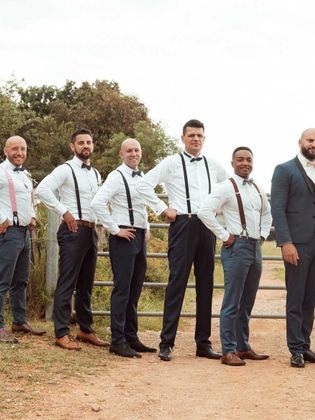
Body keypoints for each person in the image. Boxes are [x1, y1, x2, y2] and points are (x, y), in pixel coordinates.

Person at [137, 119, 228, 361]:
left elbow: (228, 187)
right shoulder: (172, 162)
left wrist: (219, 207)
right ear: (183, 138)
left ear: (204, 138)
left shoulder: (213, 164)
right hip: (183, 224)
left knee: (206, 284)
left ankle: (203, 343)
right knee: (177, 282)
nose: (195, 139)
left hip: (207, 225)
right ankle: (166, 343)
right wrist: (162, 208)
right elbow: (144, 184)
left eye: (199, 135)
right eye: (191, 135)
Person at [90, 139, 166, 358]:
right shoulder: (116, 176)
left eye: (137, 150)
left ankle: (131, 337)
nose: (133, 154)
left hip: (139, 235)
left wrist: (147, 227)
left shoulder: (142, 177)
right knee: (122, 289)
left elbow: (141, 206)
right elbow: (97, 203)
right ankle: (118, 340)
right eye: (129, 150)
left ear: (141, 153)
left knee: (134, 290)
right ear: (121, 154)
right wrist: (115, 229)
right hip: (124, 236)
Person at [198, 146, 273, 366]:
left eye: (248, 160)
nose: (245, 163)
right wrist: (223, 235)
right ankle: (228, 350)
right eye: (240, 160)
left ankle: (242, 346)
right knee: (232, 301)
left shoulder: (258, 187)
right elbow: (204, 211)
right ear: (232, 163)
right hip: (236, 247)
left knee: (247, 301)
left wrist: (262, 235)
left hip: (254, 247)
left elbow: (267, 213)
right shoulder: (225, 188)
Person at [36, 128, 108, 350]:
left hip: (91, 231)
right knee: (67, 282)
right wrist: (63, 212)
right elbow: (43, 189)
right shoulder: (65, 169)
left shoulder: (96, 173)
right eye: (81, 143)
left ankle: (85, 330)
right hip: (73, 230)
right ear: (72, 146)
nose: (86, 146)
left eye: (89, 142)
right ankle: (61, 333)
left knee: (86, 283)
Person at [271, 128, 315, 368]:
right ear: (300, 142)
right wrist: (286, 242)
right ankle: (295, 348)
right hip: (296, 243)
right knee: (295, 297)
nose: (313, 144)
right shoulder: (284, 170)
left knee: (311, 297)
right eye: (310, 140)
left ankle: (305, 344)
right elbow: (278, 207)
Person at [0, 136, 45, 344]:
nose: (20, 152)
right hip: (8, 233)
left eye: (23, 149)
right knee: (3, 281)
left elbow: (31, 197)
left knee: (21, 280)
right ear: (5, 151)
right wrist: (2, 219)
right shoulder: (1, 171)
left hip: (25, 232)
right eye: (15, 149)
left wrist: (33, 215)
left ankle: (19, 321)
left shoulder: (25, 174)